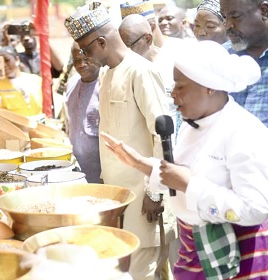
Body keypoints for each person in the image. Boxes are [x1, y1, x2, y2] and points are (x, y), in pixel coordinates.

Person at [101, 40, 268, 279]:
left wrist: (191, 185)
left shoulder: (243, 131)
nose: (173, 94)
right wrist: (141, 164)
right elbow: (180, 174)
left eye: (180, 86)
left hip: (239, 252)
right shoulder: (193, 125)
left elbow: (256, 209)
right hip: (194, 247)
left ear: (208, 87)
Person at [65, 3, 175, 279]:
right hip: (120, 197)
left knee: (143, 273)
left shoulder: (141, 71)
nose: (85, 58)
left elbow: (163, 136)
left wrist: (154, 192)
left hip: (145, 201)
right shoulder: (108, 73)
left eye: (87, 50)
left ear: (101, 42)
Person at [220, 0, 268, 127]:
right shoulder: (220, 57)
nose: (228, 24)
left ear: (264, 11)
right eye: (224, 17)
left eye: (235, 16)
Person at [64, 42, 101, 184]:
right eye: (76, 60)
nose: (81, 64)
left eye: (86, 59)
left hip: (103, 171)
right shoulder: (72, 84)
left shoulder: (106, 85)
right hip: (78, 170)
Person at [0, 46, 43, 117]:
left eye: (7, 60)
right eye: (1, 62)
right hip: (12, 126)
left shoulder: (36, 80)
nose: (4, 65)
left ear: (17, 60)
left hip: (38, 125)